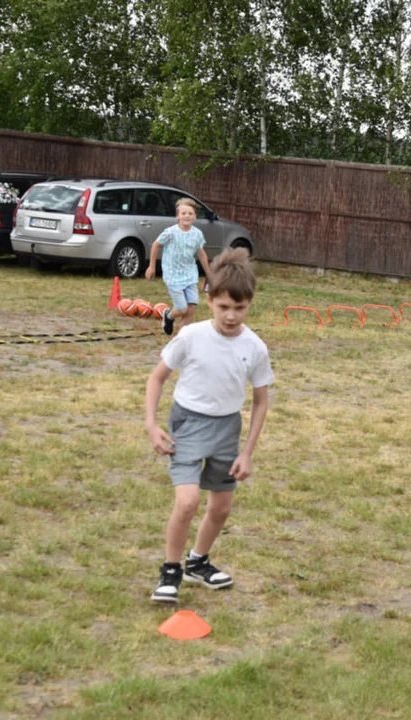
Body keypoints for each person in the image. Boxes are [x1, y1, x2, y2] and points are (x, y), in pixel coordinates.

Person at [144, 248, 274, 604]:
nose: (231, 316)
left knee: (221, 508)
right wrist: (152, 425)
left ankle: (197, 561)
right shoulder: (191, 336)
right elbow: (156, 379)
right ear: (210, 298)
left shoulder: (255, 346)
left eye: (240, 308)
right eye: (223, 307)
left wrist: (247, 453)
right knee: (186, 503)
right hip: (187, 424)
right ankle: (170, 571)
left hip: (226, 429)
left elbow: (261, 401)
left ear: (250, 304)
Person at [145, 197, 212, 336]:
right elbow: (156, 245)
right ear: (177, 216)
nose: (186, 216)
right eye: (183, 213)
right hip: (173, 275)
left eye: (190, 213)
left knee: (191, 307)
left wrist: (209, 274)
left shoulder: (197, 234)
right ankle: (168, 316)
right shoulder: (170, 232)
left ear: (195, 216)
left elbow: (202, 254)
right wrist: (151, 266)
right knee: (182, 308)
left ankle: (182, 339)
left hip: (190, 274)